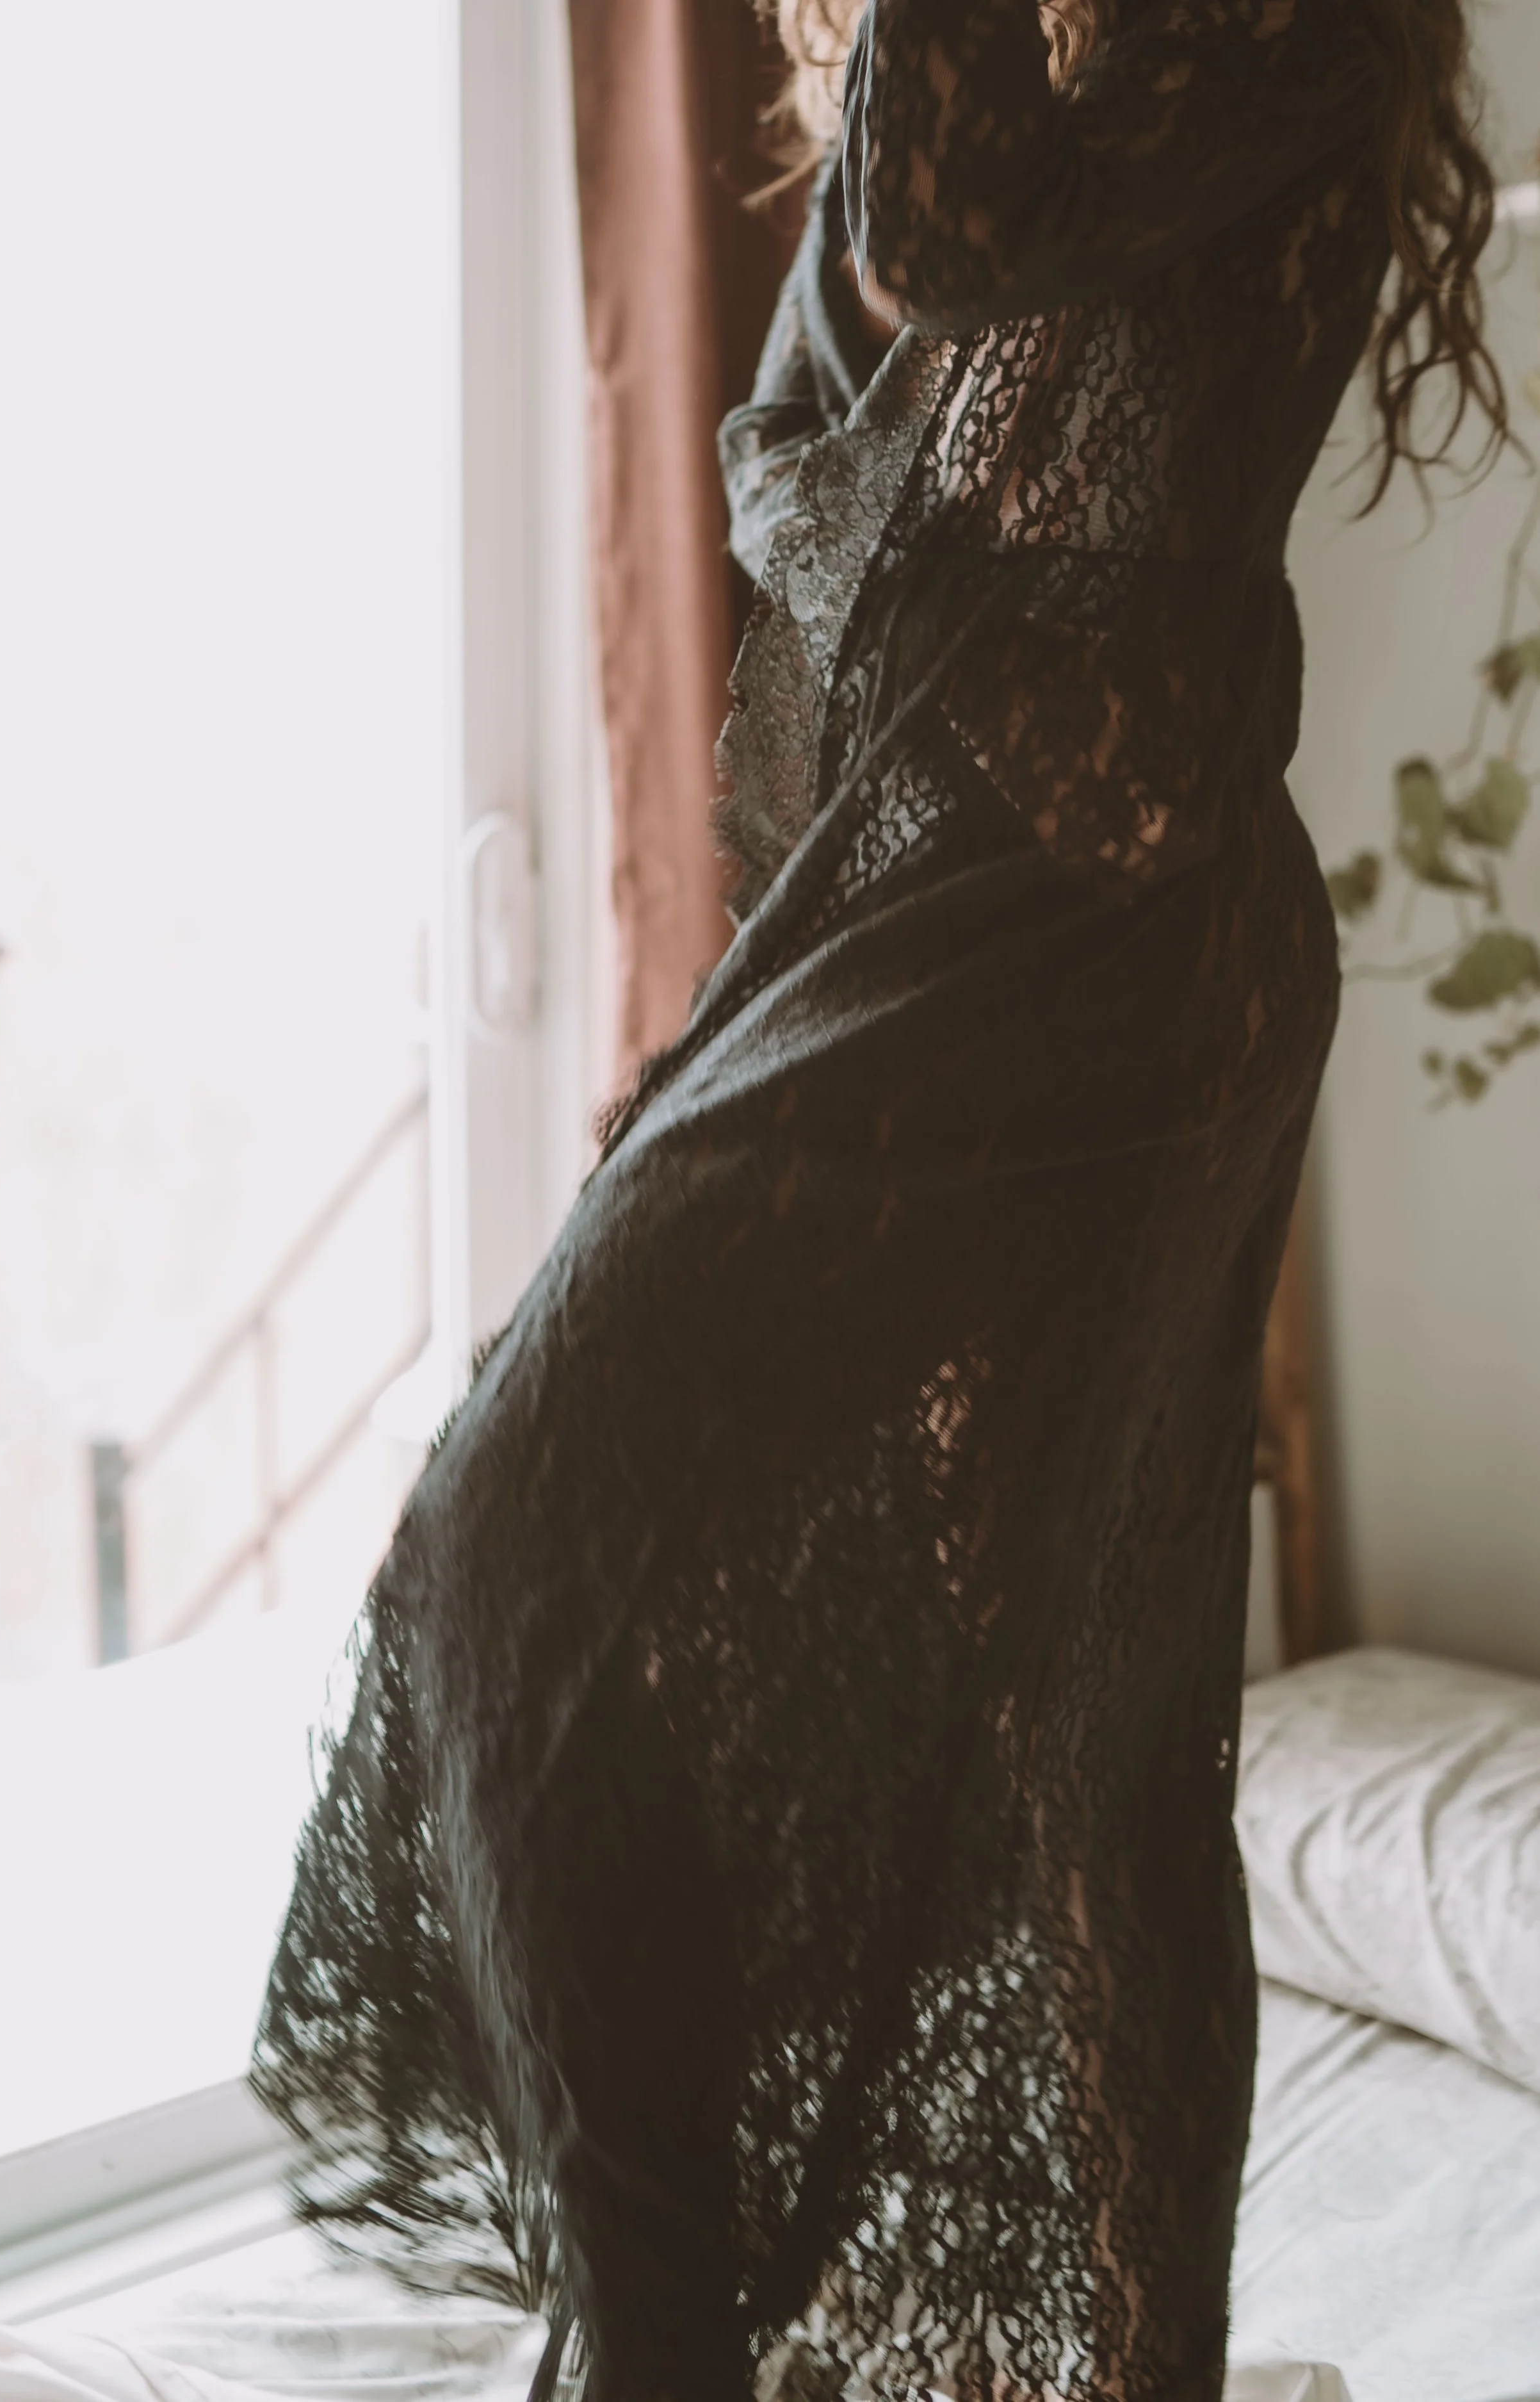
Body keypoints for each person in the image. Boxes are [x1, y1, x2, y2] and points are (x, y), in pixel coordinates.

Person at [253, 2, 1507, 2396]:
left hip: (1120, 955)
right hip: (911, 925)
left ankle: (728, 2350)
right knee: (647, 1591)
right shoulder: (979, 68)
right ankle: (693, 2322)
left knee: (1031, 1726)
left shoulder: (1280, 31)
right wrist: (721, 1044)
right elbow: (869, 597)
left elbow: (959, 246)